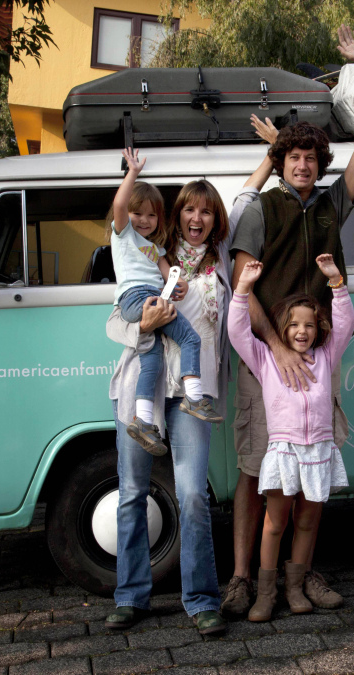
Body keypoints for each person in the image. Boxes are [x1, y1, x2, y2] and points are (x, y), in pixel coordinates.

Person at [222, 24, 354, 617]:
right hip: (265, 358)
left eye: (312, 158)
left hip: (313, 359)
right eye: (293, 157)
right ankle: (244, 578)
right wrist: (276, 347)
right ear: (281, 161)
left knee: (311, 468)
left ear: (320, 164)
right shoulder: (260, 209)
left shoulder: (334, 205)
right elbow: (243, 280)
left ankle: (300, 575)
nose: (303, 166)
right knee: (255, 471)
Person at [103, 122, 279, 634]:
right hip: (142, 385)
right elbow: (117, 320)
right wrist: (144, 323)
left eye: (206, 210)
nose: (197, 217)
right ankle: (131, 596)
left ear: (213, 218)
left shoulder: (222, 261)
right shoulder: (146, 253)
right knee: (133, 491)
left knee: (194, 495)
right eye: (188, 209)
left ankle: (201, 599)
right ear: (174, 215)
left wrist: (273, 154)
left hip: (193, 397)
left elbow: (247, 196)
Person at [228, 255, 353, 621]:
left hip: (318, 451)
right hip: (283, 452)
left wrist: (336, 283)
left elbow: (345, 326)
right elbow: (237, 331)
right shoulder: (265, 358)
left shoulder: (326, 357)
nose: (302, 331)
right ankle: (265, 594)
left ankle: (295, 587)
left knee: (307, 522)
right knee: (275, 522)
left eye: (310, 325)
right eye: (295, 324)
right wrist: (243, 289)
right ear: (282, 328)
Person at [110, 152, 223, 456]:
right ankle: (194, 397)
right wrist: (133, 173)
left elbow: (169, 275)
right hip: (136, 298)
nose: (143, 220)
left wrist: (180, 286)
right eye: (138, 213)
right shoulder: (124, 236)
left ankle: (144, 421)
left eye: (151, 215)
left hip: (151, 296)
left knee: (153, 358)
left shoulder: (155, 247)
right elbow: (120, 206)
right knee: (189, 337)